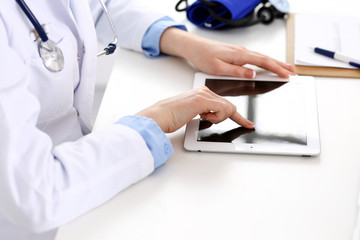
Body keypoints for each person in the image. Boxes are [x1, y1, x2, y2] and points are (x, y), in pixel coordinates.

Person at [0, 0, 295, 239]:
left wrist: (183, 42)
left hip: (84, 190)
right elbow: (35, 194)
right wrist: (154, 121)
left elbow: (89, 9)